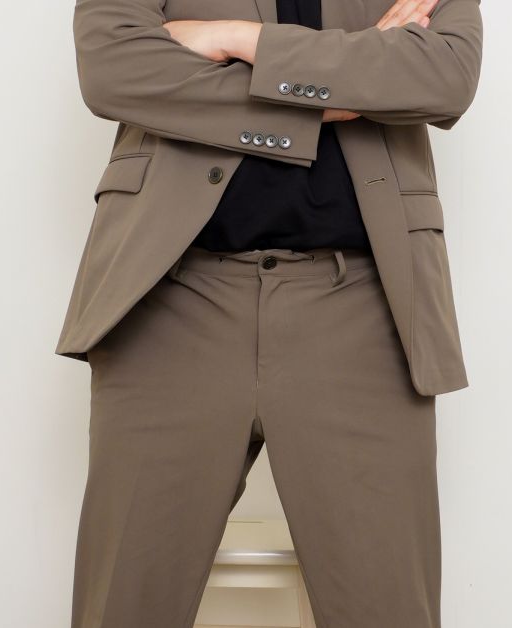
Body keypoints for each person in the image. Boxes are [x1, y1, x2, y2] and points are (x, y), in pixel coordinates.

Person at [56, 0, 483, 626]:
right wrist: (336, 89)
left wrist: (235, 37)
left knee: (387, 605)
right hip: (168, 298)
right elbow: (113, 66)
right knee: (126, 602)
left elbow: (444, 74)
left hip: (367, 305)